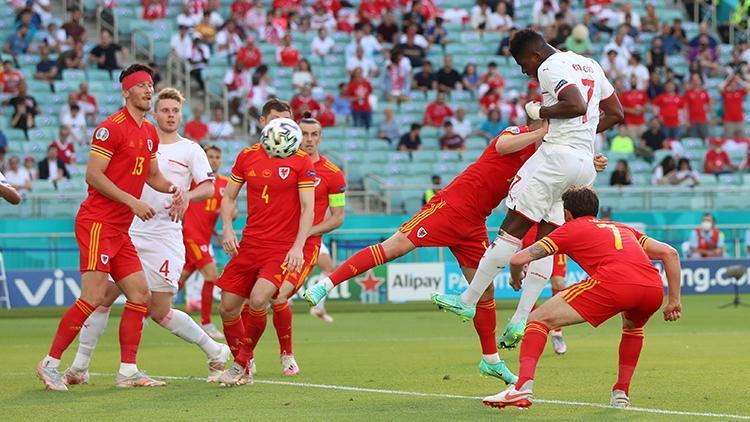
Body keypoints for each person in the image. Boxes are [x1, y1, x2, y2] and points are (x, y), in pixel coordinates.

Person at [305, 120, 610, 383]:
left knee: (486, 290)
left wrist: (588, 163)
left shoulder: (546, 159)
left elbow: (563, 173)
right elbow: (502, 147)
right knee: (394, 247)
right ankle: (326, 284)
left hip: (475, 223)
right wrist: (539, 132)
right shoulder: (516, 134)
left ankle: (490, 360)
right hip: (450, 207)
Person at [431, 29, 623, 343]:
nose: (525, 71)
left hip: (556, 158)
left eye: (523, 64)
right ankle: (520, 320)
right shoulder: (590, 64)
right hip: (584, 166)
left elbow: (573, 103)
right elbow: (616, 113)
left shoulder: (549, 67)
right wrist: (584, 133)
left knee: (513, 229)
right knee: (548, 239)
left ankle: (467, 301)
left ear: (535, 54)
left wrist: (540, 111)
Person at [65, 87, 230, 385]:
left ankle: (215, 350)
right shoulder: (143, 139)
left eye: (175, 111)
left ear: (181, 115)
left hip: (164, 236)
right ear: (156, 113)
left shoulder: (190, 149)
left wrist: (187, 196)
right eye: (165, 110)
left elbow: (208, 186)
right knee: (101, 298)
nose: (170, 115)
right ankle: (80, 366)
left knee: (159, 310)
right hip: (128, 229)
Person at [36, 64, 185, 391]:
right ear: (126, 91)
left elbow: (152, 176)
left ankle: (128, 371)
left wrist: (173, 188)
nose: (149, 90)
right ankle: (50, 364)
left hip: (119, 229)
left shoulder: (148, 132)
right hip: (98, 223)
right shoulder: (111, 128)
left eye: (151, 84)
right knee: (93, 296)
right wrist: (133, 202)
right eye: (142, 85)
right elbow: (93, 175)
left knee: (139, 294)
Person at [483, 186, 682, 409]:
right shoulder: (621, 227)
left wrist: (516, 277)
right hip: (651, 288)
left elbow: (517, 259)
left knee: (538, 319)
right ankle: (621, 394)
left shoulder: (569, 229)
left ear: (567, 214)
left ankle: (522, 388)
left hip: (614, 283)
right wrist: (673, 300)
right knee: (632, 328)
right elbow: (670, 253)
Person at [215, 99, 315, 385]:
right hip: (249, 244)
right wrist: (228, 228)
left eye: (287, 120)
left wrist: (297, 246)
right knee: (227, 307)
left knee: (259, 299)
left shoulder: (300, 160)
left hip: (280, 248)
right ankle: (243, 367)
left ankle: (240, 363)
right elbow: (229, 197)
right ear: (263, 123)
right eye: (275, 120)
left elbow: (308, 208)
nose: (282, 126)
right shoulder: (247, 157)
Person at [252, 115, 347, 375]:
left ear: (320, 137)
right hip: (271, 241)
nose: (308, 139)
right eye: (304, 134)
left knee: (279, 295)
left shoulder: (333, 174)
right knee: (251, 299)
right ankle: (245, 356)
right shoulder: (285, 166)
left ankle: (287, 355)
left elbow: (337, 218)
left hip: (304, 248)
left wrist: (305, 234)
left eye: (314, 134)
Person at [177, 144, 231, 339]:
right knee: (211, 274)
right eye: (210, 156)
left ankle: (145, 311)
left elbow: (231, 211)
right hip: (192, 234)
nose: (214, 160)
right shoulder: (194, 180)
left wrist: (226, 213)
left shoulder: (225, 184)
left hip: (205, 237)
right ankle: (206, 323)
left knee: (179, 279)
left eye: (217, 157)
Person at [719, 74, 749, 139]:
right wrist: (728, 79)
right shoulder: (726, 93)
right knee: (728, 140)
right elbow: (720, 87)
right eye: (731, 85)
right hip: (728, 121)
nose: (733, 86)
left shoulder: (740, 92)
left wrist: (739, 80)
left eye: (735, 85)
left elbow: (748, 87)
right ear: (729, 86)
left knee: (743, 140)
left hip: (739, 120)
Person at [683, 73, 712, 140]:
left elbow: (709, 105)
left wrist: (711, 118)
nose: (696, 81)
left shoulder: (704, 92)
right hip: (692, 120)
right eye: (694, 80)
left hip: (703, 120)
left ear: (700, 81)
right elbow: (685, 108)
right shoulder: (688, 93)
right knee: (694, 140)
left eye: (697, 79)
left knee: (705, 139)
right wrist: (686, 120)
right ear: (691, 82)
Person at [620, 76, 648, 141]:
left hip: (641, 122)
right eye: (632, 81)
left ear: (637, 82)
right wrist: (632, 111)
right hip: (630, 122)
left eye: (634, 81)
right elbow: (621, 107)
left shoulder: (642, 93)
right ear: (630, 82)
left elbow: (647, 105)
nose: (633, 82)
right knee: (632, 141)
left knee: (643, 140)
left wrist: (642, 109)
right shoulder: (625, 94)